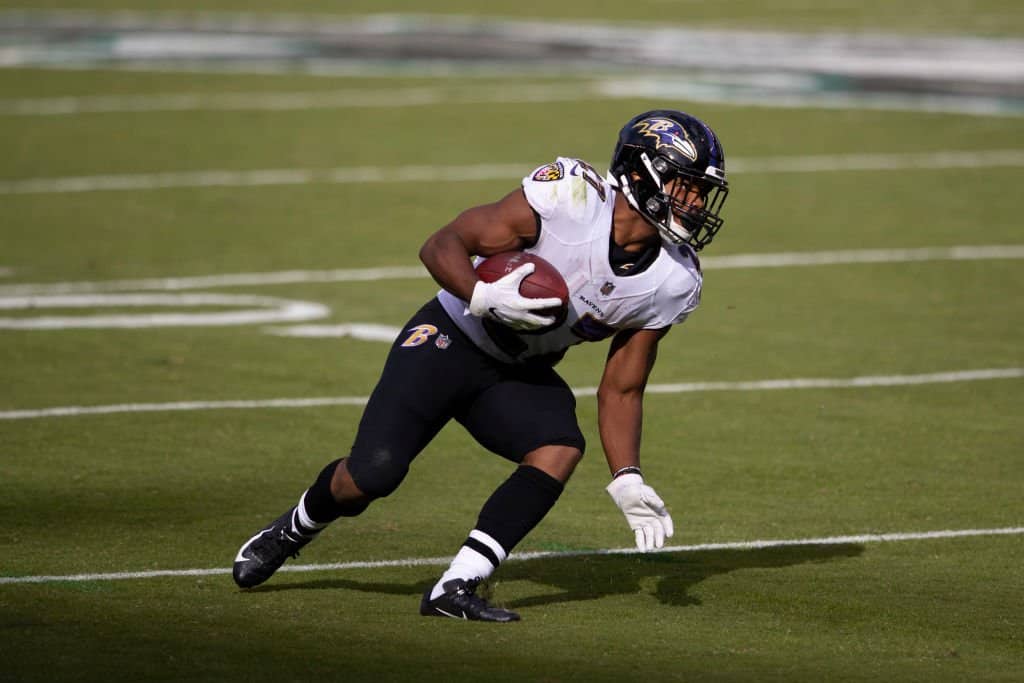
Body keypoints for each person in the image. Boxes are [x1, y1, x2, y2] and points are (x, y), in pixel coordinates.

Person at [232, 109, 730, 622]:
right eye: (684, 184)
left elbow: (622, 389)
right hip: (451, 338)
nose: (694, 203)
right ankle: (295, 527)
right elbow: (442, 244)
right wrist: (482, 294)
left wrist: (627, 476)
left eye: (701, 191)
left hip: (519, 371)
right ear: (638, 172)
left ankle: (456, 585)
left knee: (558, 449)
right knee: (372, 474)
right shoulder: (571, 199)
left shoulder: (672, 280)